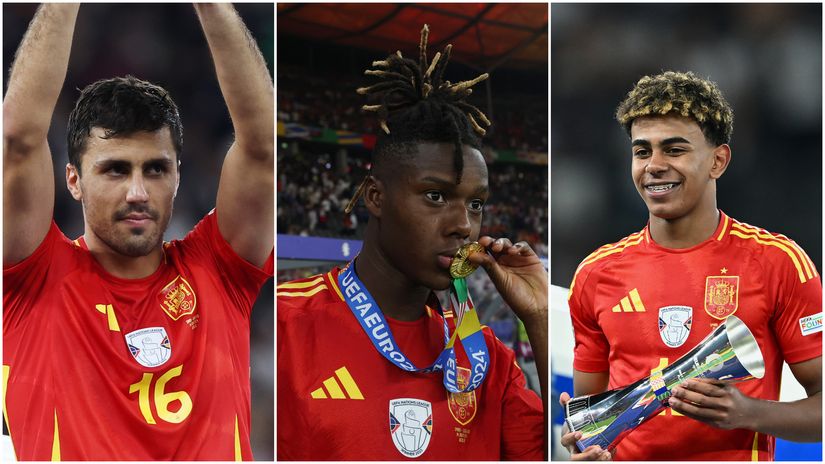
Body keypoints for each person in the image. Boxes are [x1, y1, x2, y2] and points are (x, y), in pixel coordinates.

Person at [3, 3, 273, 460]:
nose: (137, 192)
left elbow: (264, 147)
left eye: (155, 169)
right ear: (72, 180)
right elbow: (18, 140)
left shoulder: (219, 270)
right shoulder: (32, 277)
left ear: (178, 177)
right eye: (114, 170)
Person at [277, 25, 547, 460]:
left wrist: (540, 319)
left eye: (475, 204)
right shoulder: (284, 325)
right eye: (435, 196)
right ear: (375, 197)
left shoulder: (486, 359)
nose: (463, 225)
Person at [561, 71, 822, 461]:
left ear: (718, 160)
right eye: (642, 151)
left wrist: (749, 413)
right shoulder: (596, 273)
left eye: (675, 150)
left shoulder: (777, 262)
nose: (654, 165)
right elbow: (590, 417)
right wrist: (582, 443)